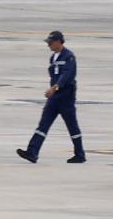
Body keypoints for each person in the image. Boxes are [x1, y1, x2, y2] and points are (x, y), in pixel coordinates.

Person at [17, 31, 85, 164]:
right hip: (54, 98)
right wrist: (53, 90)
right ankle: (32, 152)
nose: (49, 45)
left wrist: (54, 88)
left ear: (59, 42)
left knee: (72, 127)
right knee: (43, 124)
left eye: (51, 42)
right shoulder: (53, 57)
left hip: (66, 98)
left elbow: (67, 76)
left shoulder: (69, 57)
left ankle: (80, 154)